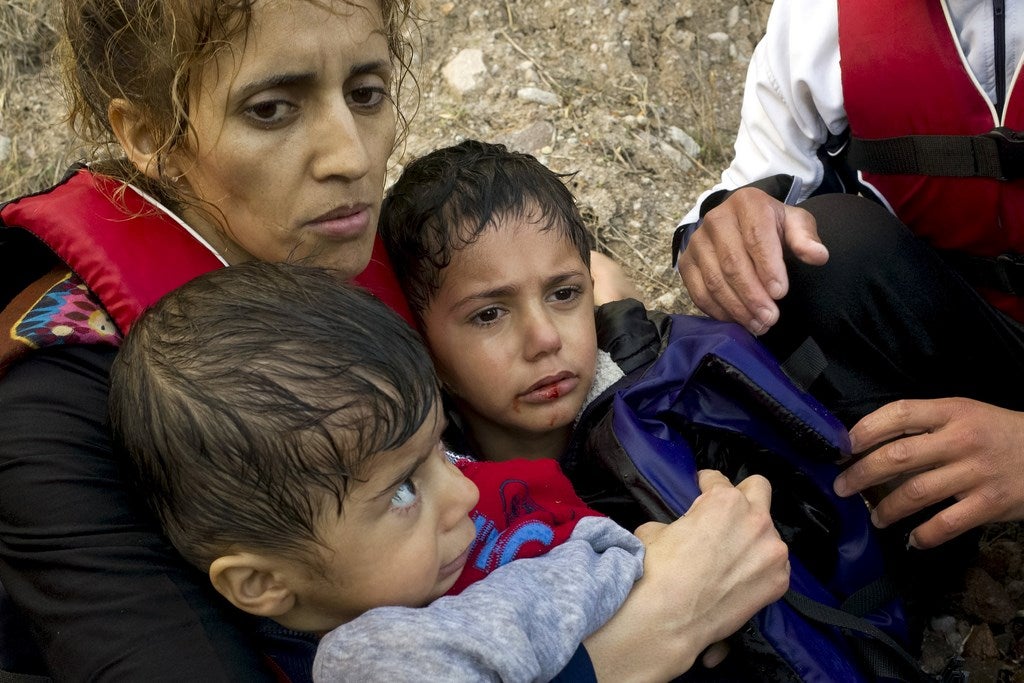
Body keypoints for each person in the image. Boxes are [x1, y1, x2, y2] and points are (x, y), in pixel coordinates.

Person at [0, 0, 789, 679]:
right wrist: (661, 623)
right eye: (272, 109)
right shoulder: (55, 412)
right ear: (145, 132)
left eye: (366, 91)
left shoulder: (351, 251)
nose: (352, 158)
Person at [109, 261, 652, 682]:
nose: (463, 490)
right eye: (401, 493)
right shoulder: (374, 659)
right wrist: (645, 564)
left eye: (441, 446)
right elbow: (621, 572)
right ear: (262, 582)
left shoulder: (415, 532)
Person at [672, 0, 1024, 551]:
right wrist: (724, 230)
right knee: (823, 245)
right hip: (956, 332)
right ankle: (902, 550)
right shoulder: (822, 14)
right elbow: (759, 178)